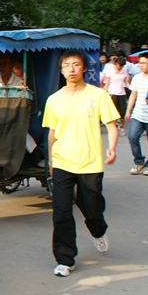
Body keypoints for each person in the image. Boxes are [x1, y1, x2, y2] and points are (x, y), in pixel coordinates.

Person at [43, 50, 119, 277]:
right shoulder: (54, 99)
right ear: (61, 70)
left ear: (84, 68)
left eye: (76, 64)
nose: (71, 69)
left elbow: (111, 125)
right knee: (61, 212)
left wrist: (112, 148)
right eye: (67, 65)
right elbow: (52, 133)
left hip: (90, 162)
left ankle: (98, 230)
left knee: (92, 208)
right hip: (63, 161)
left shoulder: (98, 95)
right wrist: (51, 160)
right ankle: (65, 259)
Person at [102, 56, 130, 136]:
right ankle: (113, 128)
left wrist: (132, 88)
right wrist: (105, 92)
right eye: (119, 65)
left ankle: (121, 126)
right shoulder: (110, 72)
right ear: (116, 64)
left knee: (122, 112)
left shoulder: (124, 72)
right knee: (113, 112)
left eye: (122, 66)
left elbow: (126, 82)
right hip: (113, 93)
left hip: (122, 93)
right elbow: (107, 84)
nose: (120, 67)